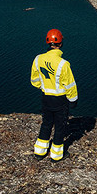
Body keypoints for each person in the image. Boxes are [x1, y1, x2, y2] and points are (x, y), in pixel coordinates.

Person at [30, 28, 78, 162]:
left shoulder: (38, 59)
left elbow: (34, 80)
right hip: (60, 100)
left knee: (46, 123)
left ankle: (39, 152)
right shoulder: (63, 64)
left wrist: (44, 87)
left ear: (47, 43)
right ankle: (56, 155)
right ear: (61, 44)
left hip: (46, 98)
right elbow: (70, 85)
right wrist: (73, 100)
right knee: (60, 126)